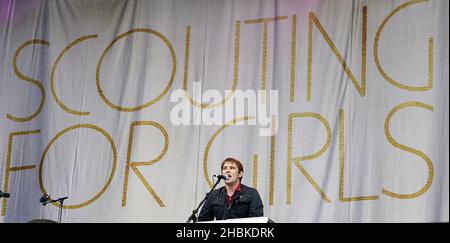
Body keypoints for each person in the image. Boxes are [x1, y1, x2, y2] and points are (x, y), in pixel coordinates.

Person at [197, 157, 264, 221]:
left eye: (232, 168)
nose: (227, 170)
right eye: (224, 168)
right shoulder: (214, 195)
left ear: (240, 174)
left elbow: (257, 219)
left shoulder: (251, 193)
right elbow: (203, 220)